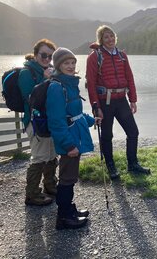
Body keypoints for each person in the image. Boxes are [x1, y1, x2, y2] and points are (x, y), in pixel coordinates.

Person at [86, 25, 150, 180]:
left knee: (133, 132)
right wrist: (96, 107)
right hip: (105, 102)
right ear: (100, 40)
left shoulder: (122, 55)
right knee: (107, 135)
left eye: (111, 36)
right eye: (106, 37)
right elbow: (91, 83)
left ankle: (132, 164)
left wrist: (133, 100)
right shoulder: (94, 57)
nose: (110, 39)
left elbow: (130, 78)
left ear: (115, 37)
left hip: (121, 100)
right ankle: (111, 166)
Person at [46, 47, 98, 230]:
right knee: (67, 178)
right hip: (69, 140)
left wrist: (92, 120)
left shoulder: (69, 83)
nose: (70, 66)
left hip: (75, 136)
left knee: (70, 177)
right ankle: (64, 217)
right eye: (65, 63)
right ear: (58, 65)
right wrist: (68, 145)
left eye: (72, 62)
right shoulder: (56, 87)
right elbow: (56, 122)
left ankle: (70, 210)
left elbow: (75, 113)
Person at [18, 39, 57, 206]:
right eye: (43, 55)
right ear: (35, 55)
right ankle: (32, 194)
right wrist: (45, 79)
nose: (47, 58)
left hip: (49, 120)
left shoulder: (48, 71)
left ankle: (50, 185)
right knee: (39, 156)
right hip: (34, 121)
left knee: (52, 154)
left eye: (50, 56)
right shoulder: (26, 73)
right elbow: (30, 98)